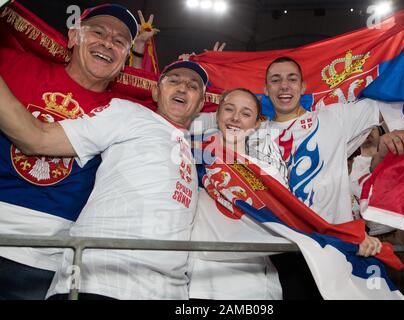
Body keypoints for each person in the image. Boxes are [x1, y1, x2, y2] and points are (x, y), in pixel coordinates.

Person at [0, 58, 208, 299]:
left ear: (201, 104)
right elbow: (37, 138)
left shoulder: (196, 150)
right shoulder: (127, 113)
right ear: (155, 91)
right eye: (173, 81)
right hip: (100, 283)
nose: (182, 88)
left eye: (193, 86)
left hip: (168, 292)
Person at [0, 3, 140, 299]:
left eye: (119, 41)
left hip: (44, 263)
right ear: (74, 37)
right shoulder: (13, 63)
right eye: (98, 32)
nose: (107, 43)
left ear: (126, 58)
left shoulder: (128, 113)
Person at [260, 56, 404, 299]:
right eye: (275, 80)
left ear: (303, 87)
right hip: (285, 252)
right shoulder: (256, 135)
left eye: (292, 79)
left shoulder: (333, 118)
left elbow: (389, 95)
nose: (284, 86)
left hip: (335, 249)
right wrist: (208, 68)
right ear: (265, 89)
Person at [188, 88, 288, 300]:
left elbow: (288, 221)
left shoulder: (266, 172)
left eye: (245, 113)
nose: (235, 118)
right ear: (217, 115)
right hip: (198, 285)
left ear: (257, 124)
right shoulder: (194, 159)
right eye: (229, 109)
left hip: (251, 287)